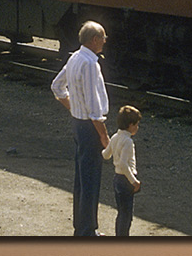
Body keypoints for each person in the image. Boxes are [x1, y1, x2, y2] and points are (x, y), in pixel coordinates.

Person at [51, 21, 110, 236]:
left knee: (81, 179)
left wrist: (73, 107)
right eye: (103, 37)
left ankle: (82, 227)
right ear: (94, 40)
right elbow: (94, 108)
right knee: (91, 180)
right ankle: (87, 232)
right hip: (89, 127)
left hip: (78, 123)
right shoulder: (90, 64)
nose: (105, 40)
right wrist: (104, 137)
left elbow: (57, 86)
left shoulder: (75, 57)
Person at [102, 105, 142, 237]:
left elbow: (106, 155)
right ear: (130, 125)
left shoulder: (114, 137)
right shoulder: (128, 142)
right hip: (126, 180)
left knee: (121, 212)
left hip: (117, 180)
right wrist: (134, 181)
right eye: (136, 124)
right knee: (127, 214)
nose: (137, 127)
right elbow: (124, 165)